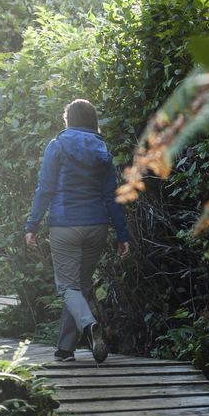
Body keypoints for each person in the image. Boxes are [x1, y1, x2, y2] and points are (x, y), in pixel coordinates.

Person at [23, 99, 130, 363]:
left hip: (65, 225)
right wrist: (122, 234)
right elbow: (111, 195)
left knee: (67, 287)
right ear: (93, 121)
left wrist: (32, 225)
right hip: (97, 226)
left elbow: (45, 189)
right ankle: (65, 350)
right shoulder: (102, 150)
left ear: (68, 119)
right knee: (79, 287)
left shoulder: (57, 145)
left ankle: (91, 326)